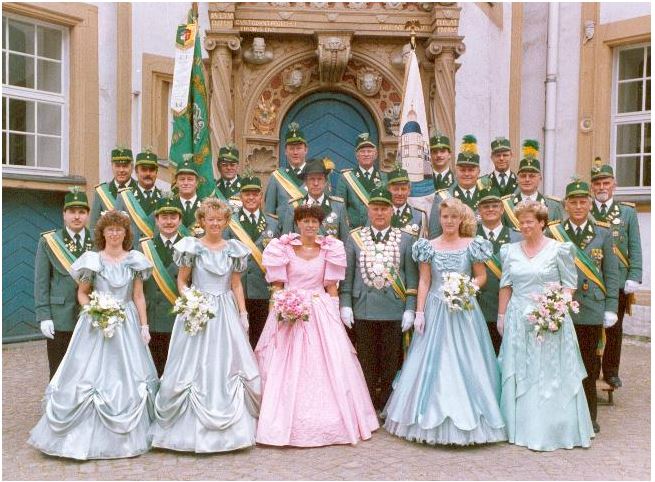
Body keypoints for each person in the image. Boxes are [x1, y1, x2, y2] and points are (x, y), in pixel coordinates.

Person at [28, 210, 158, 460]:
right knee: (89, 375)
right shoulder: (92, 260)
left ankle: (130, 432)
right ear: (102, 233)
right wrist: (95, 310)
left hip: (127, 323)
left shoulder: (134, 260)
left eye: (119, 229)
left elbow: (138, 295)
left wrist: (144, 325)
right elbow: (82, 292)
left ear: (125, 233)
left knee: (128, 374)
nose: (115, 234)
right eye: (110, 229)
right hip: (97, 323)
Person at [383, 197, 506, 445]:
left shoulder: (473, 245)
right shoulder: (428, 246)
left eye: (454, 217)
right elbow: (424, 281)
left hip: (464, 310)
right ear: (440, 219)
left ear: (461, 219)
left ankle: (474, 415)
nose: (449, 221)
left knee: (468, 360)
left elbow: (481, 277)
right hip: (436, 308)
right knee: (432, 362)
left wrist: (465, 288)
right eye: (445, 217)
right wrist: (419, 312)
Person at [255, 205, 379, 447]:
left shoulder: (330, 249)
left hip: (319, 310)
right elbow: (278, 286)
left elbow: (331, 288)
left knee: (330, 360)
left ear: (320, 224)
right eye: (305, 221)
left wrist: (334, 315)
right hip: (290, 310)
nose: (310, 225)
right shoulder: (282, 248)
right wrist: (278, 311)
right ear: (298, 223)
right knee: (286, 364)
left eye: (314, 221)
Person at [151, 198, 261, 453]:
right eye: (210, 219)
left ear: (226, 222)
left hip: (225, 311)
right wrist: (190, 300)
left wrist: (243, 312)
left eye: (219, 220)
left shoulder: (233, 249)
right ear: (202, 221)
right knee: (194, 364)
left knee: (226, 362)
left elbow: (235, 284)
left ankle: (233, 429)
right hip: (198, 311)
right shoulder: (192, 247)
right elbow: (182, 280)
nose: (215, 223)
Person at [498, 199, 595, 451]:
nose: (525, 226)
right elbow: (506, 285)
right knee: (522, 369)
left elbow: (569, 285)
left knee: (549, 371)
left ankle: (554, 428)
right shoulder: (509, 251)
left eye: (530, 222)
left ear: (542, 223)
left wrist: (555, 309)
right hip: (518, 319)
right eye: (521, 222)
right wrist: (501, 316)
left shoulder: (559, 249)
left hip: (550, 319)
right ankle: (520, 426)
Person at [547, 180, 619, 434]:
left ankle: (589, 415)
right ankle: (563, 415)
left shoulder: (603, 233)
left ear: (589, 204)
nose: (578, 206)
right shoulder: (554, 232)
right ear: (565, 205)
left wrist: (611, 307)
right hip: (562, 309)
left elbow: (611, 273)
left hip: (591, 309)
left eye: (582, 202)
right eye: (573, 202)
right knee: (561, 364)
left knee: (589, 365)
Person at [340, 187, 418, 411]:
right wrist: (345, 305)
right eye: (375, 209)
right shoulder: (355, 238)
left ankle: (387, 404)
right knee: (366, 360)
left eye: (384, 209)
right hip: (363, 308)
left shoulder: (406, 239)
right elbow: (348, 276)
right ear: (368, 210)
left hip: (394, 308)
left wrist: (410, 308)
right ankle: (367, 406)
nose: (380, 213)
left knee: (391, 361)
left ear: (392, 211)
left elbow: (411, 278)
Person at [590, 160, 642, 388]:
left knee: (614, 327)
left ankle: (611, 371)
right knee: (591, 326)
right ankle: (591, 369)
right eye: (597, 183)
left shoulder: (627, 212)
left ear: (614, 185)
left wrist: (634, 275)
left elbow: (635, 246)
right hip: (592, 277)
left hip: (618, 279)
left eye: (606, 183)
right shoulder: (585, 210)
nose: (602, 187)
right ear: (592, 187)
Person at [34, 187, 94, 379]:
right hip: (60, 317)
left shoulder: (98, 240)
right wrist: (44, 316)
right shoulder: (50, 241)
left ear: (87, 215)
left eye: (81, 212)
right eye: (72, 211)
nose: (77, 216)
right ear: (64, 214)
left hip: (91, 316)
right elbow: (41, 282)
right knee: (58, 371)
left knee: (88, 371)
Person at [224, 175, 280, 348]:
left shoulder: (273, 222)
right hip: (237, 288)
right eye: (246, 194)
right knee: (237, 340)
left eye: (255, 194)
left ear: (261, 196)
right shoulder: (230, 223)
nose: (251, 198)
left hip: (264, 289)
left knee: (261, 338)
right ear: (240, 196)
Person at [139, 195, 185, 376]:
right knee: (152, 370)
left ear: (180, 220)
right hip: (152, 319)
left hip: (178, 319)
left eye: (173, 217)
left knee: (176, 371)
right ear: (156, 221)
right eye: (164, 217)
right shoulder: (145, 247)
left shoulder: (189, 246)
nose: (168, 222)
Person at [476, 181, 522, 354]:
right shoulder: (469, 236)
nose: (490, 209)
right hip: (478, 307)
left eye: (495, 205)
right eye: (485, 206)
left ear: (502, 209)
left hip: (508, 307)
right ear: (479, 210)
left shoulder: (516, 237)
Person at [428, 135, 484, 238]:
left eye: (471, 170)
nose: (466, 174)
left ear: (478, 171)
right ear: (456, 170)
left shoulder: (486, 195)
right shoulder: (443, 197)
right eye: (462, 170)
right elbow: (434, 235)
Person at [501, 140, 564, 229]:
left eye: (532, 176)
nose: (527, 179)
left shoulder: (553, 206)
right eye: (523, 176)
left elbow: (557, 234)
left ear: (540, 178)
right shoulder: (506, 205)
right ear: (517, 178)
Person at [282, 158, 350, 240]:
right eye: (312, 179)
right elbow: (286, 241)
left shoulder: (338, 207)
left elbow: (346, 241)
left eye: (320, 179)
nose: (316, 183)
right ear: (305, 182)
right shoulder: (294, 207)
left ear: (325, 182)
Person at [336, 133, 388, 229]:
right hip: (355, 231)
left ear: (375, 154)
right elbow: (340, 208)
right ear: (357, 155)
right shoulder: (346, 177)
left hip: (378, 229)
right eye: (362, 151)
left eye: (369, 151)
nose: (366, 154)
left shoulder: (385, 177)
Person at [115, 148, 162, 247]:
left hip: (156, 253)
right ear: (136, 171)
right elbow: (116, 228)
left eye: (152, 170)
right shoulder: (124, 197)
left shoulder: (164, 198)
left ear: (156, 172)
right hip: (131, 251)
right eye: (144, 169)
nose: (148, 173)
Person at [265, 122, 309, 218]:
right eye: (291, 148)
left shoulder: (317, 175)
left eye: (299, 148)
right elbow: (269, 214)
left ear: (306, 150)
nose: (295, 152)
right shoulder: (277, 177)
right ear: (285, 151)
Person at [89, 147, 137, 228]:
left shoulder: (139, 189)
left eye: (125, 166)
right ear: (112, 166)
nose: (121, 170)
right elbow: (94, 226)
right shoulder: (102, 192)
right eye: (117, 166)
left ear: (132, 167)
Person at [387, 165, 427, 238]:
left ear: (409, 191)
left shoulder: (419, 216)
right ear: (389, 190)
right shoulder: (379, 214)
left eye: (403, 189)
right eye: (396, 189)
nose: (400, 193)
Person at [172, 156, 204, 232]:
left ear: (197, 182)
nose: (186, 183)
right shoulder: (169, 205)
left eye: (190, 179)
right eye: (182, 179)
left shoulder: (206, 207)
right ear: (176, 182)